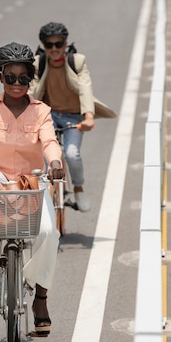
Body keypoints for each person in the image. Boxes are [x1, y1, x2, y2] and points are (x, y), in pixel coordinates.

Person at [0, 41, 64, 336]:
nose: (17, 84)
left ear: (31, 78)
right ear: (0, 75)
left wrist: (55, 162)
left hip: (30, 184)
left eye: (24, 78)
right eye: (10, 77)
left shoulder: (41, 111)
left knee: (48, 234)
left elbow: (50, 141)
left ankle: (40, 300)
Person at [29, 21, 116, 213]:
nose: (54, 49)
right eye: (49, 45)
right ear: (43, 46)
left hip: (73, 117)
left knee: (71, 154)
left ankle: (78, 188)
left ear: (65, 43)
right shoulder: (38, 63)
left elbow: (85, 88)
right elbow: (32, 93)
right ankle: (44, 191)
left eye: (58, 44)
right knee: (43, 156)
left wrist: (89, 117)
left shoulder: (76, 62)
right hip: (48, 115)